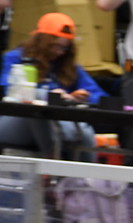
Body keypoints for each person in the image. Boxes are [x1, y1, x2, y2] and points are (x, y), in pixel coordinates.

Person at [0, 12, 107, 159]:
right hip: (16, 122)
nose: (60, 52)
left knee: (84, 131)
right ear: (42, 41)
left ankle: (88, 172)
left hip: (58, 124)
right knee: (37, 102)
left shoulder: (69, 66)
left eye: (65, 48)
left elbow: (99, 95)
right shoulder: (15, 58)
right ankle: (51, 156)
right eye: (56, 46)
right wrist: (49, 95)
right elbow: (10, 91)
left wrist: (78, 97)